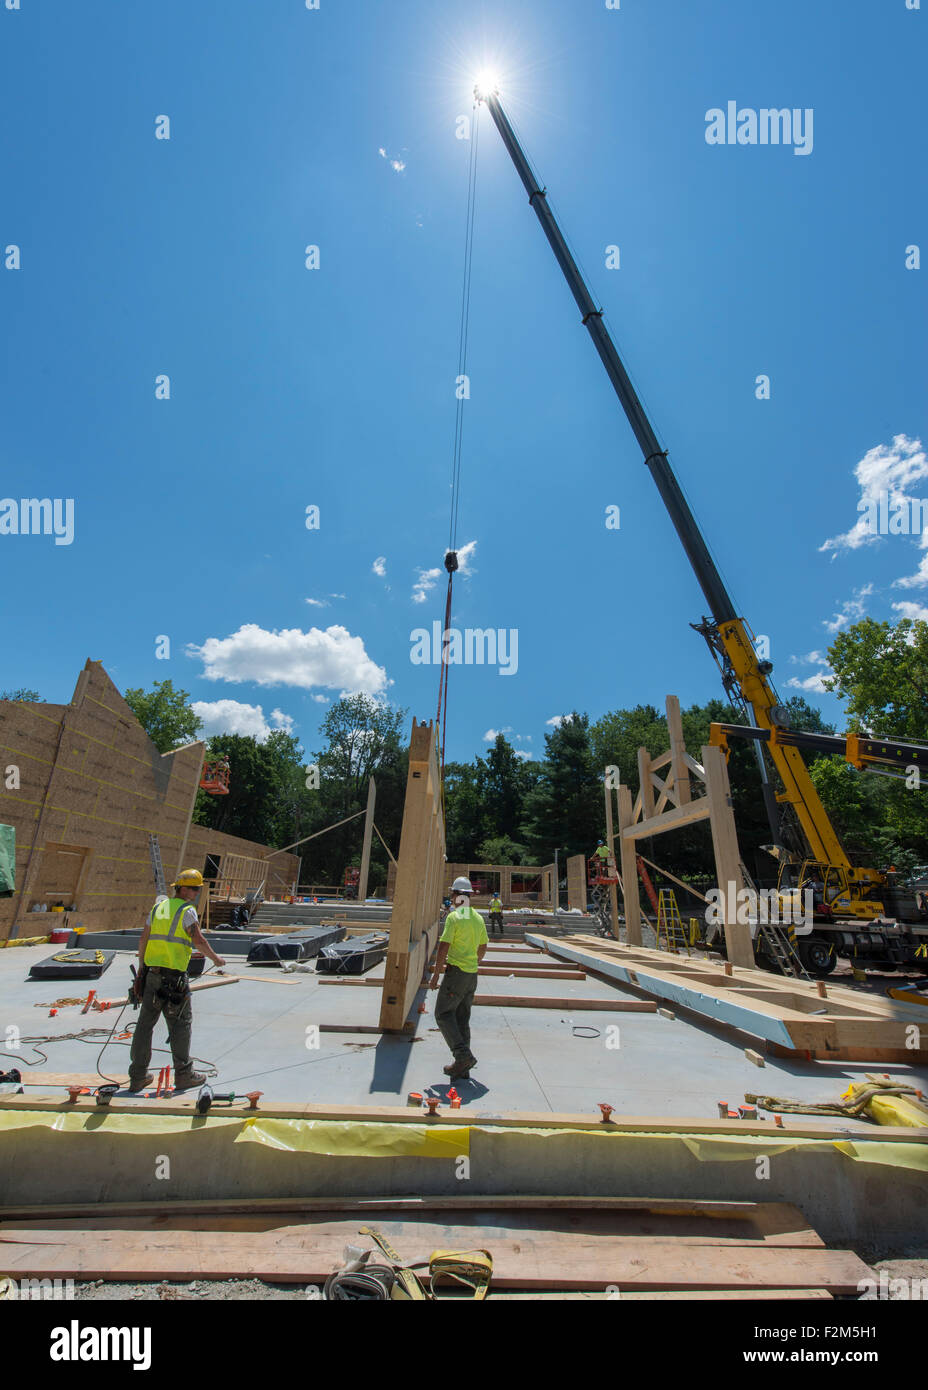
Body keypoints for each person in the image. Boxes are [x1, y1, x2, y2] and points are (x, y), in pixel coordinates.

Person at [127, 868, 226, 1094]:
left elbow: (144, 939)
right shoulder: (186, 911)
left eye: (198, 889)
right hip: (174, 979)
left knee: (145, 1025)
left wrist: (142, 969)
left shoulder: (158, 908)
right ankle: (184, 1075)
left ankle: (138, 1076)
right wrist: (216, 959)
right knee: (180, 1024)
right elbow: (198, 940)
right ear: (183, 888)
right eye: (194, 888)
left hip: (152, 974)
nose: (196, 892)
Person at [429, 876, 488, 1080]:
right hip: (471, 975)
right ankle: (464, 1067)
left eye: (452, 894)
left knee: (443, 1014)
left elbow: (444, 946)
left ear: (456, 895)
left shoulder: (454, 918)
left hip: (457, 974)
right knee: (462, 1018)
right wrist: (473, 962)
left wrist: (436, 974)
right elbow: (483, 947)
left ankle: (462, 1056)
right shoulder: (477, 918)